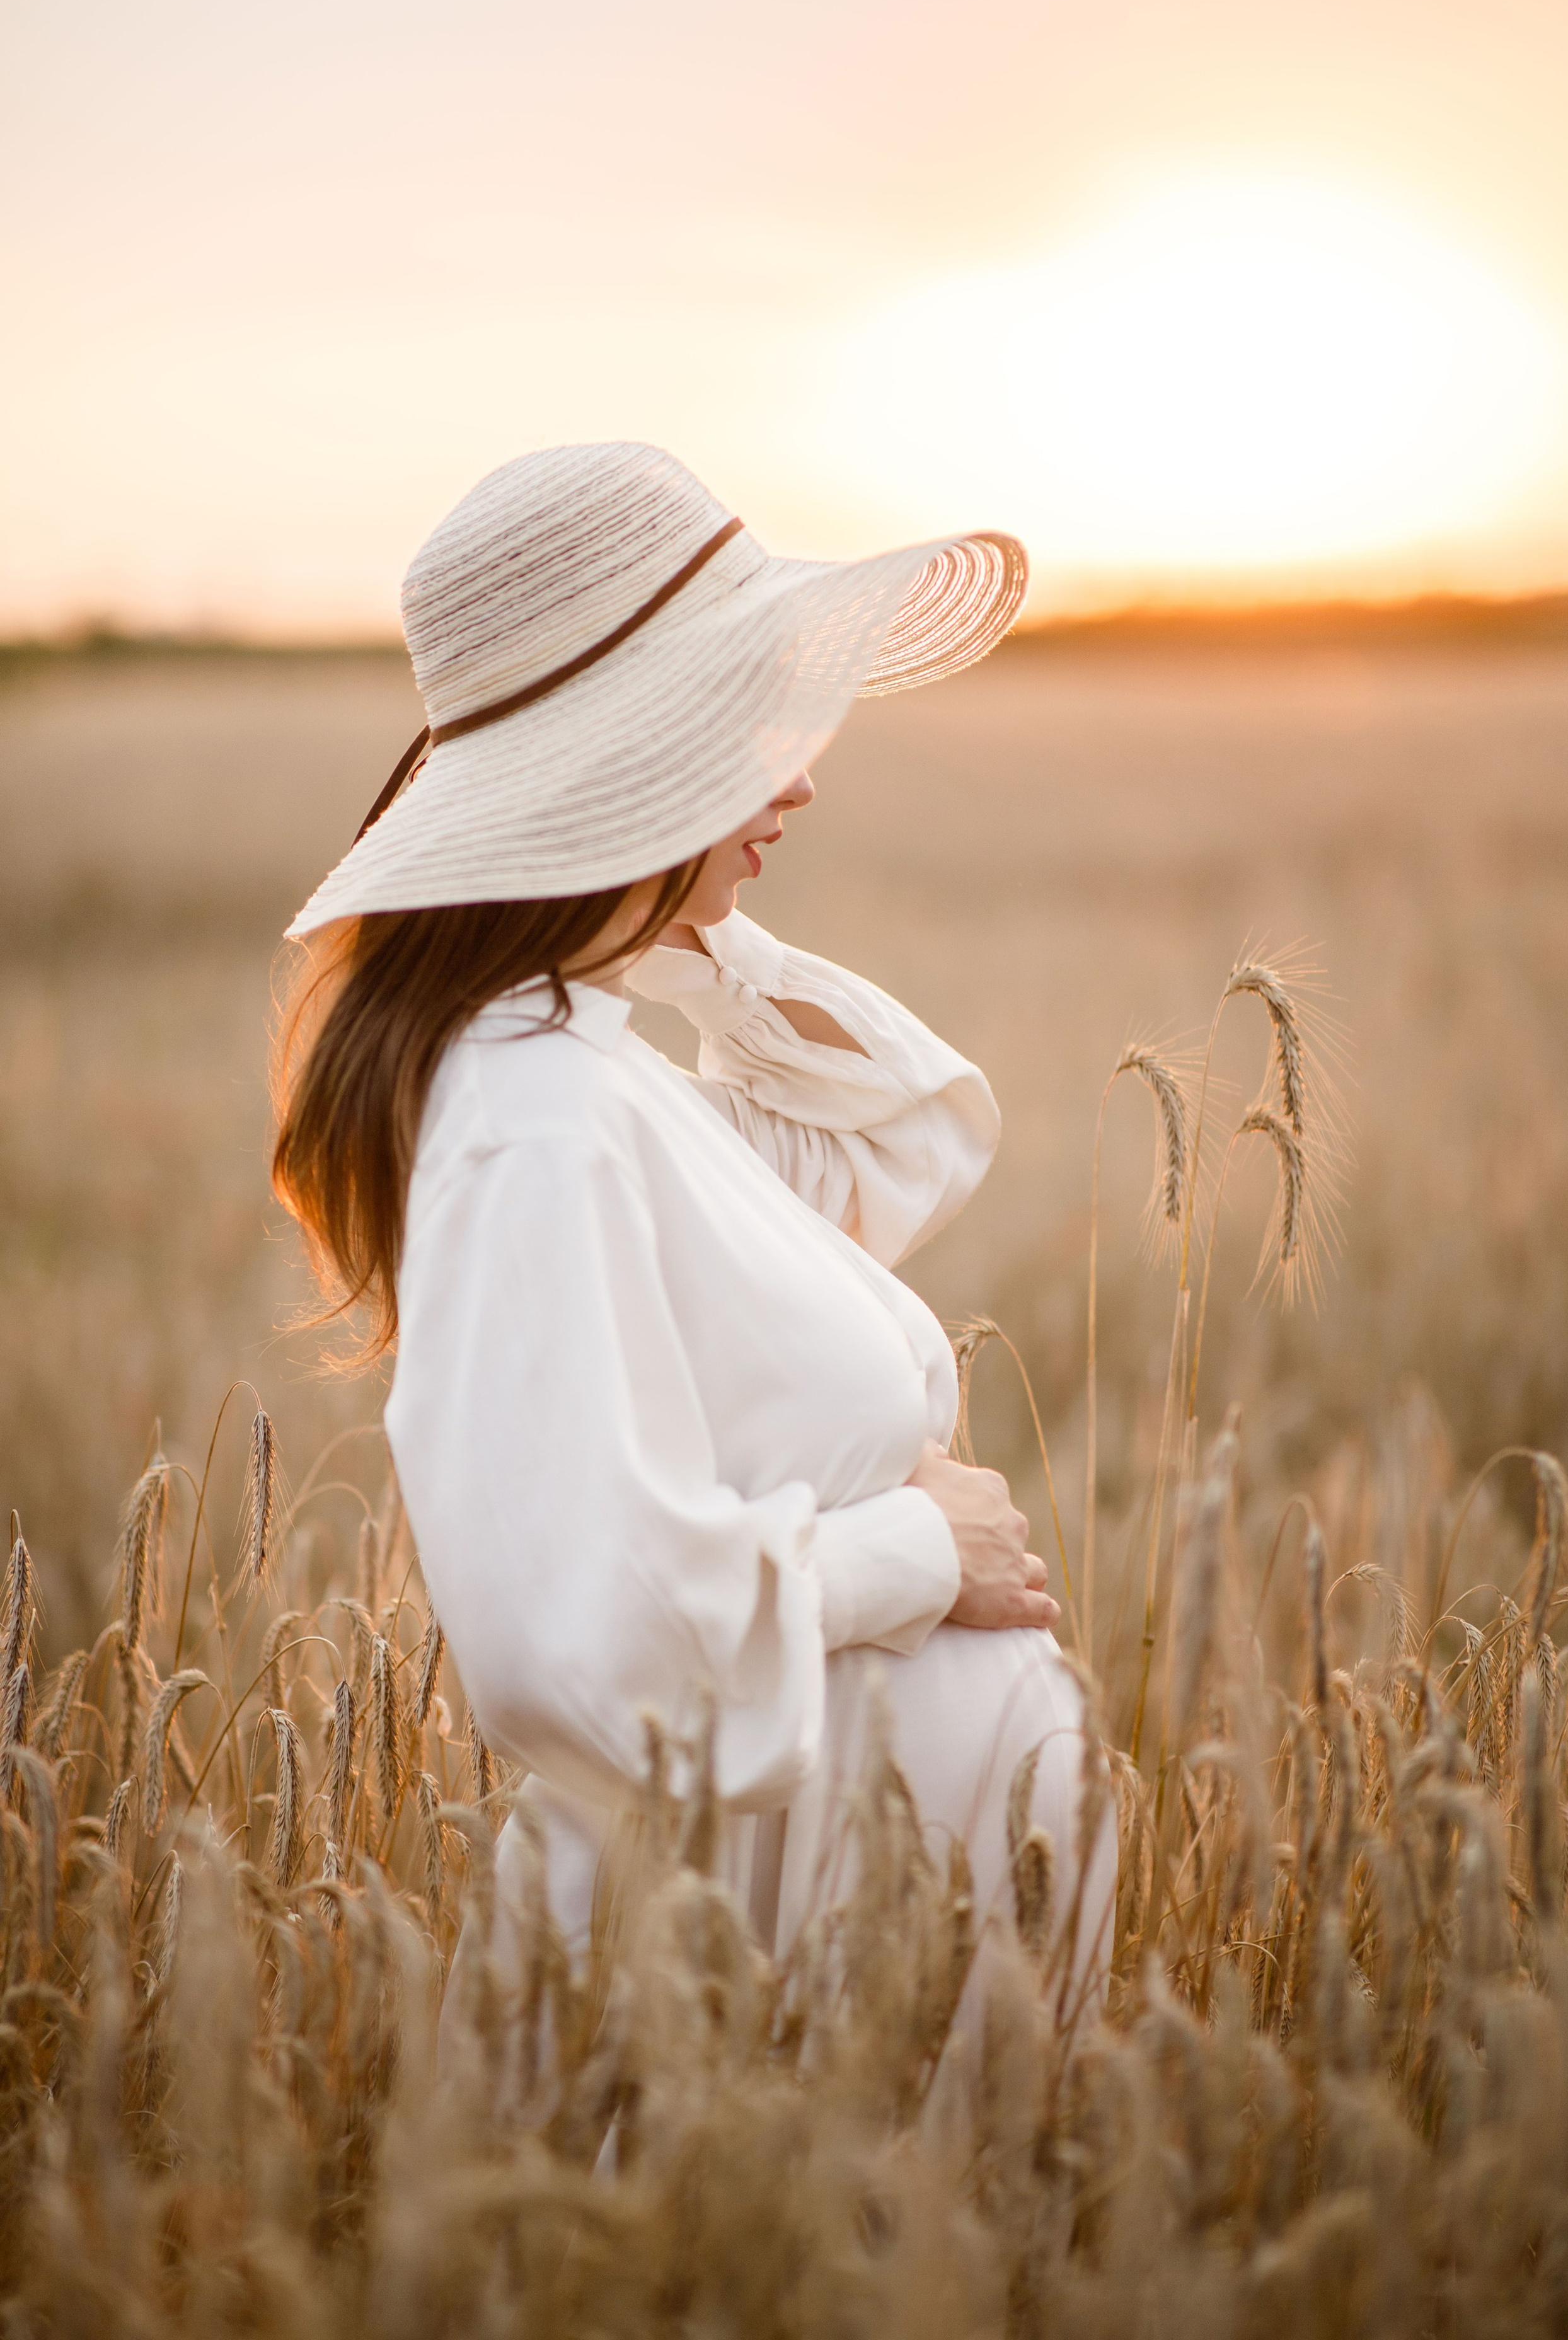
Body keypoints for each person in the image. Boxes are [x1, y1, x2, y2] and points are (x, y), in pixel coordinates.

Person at [273, 441, 1115, 2022]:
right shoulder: (537, 1120)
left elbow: (900, 1136)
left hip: (820, 1976)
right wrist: (920, 1552)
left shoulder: (586, 1060)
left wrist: (668, 926)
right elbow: (584, 1642)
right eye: (742, 732)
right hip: (737, 1994)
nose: (796, 779)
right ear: (620, 769)